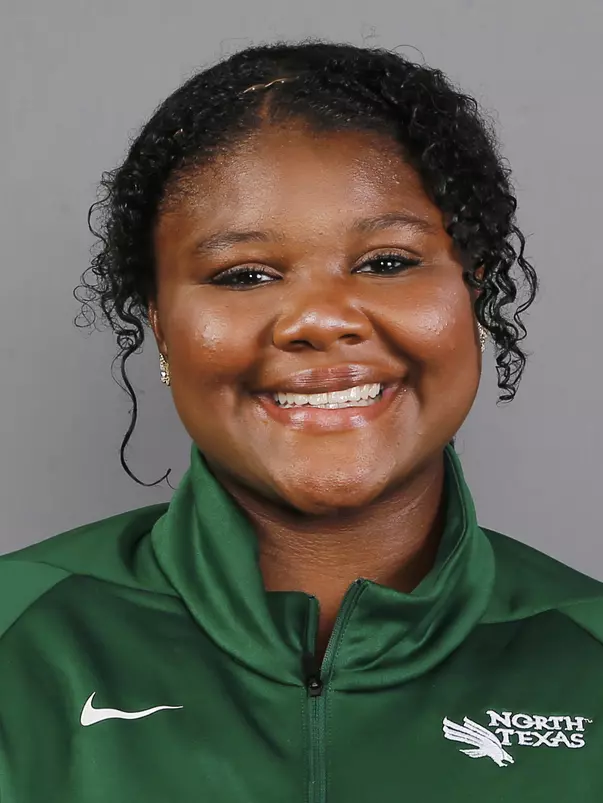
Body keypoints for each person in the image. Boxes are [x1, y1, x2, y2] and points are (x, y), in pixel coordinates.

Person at [1, 39, 602, 803]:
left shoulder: (587, 654)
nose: (320, 319)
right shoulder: (19, 640)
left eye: (386, 262)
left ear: (473, 297)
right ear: (161, 326)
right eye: (244, 275)